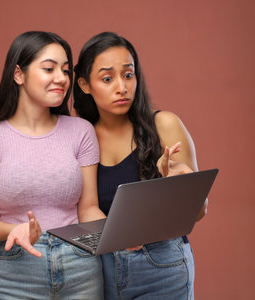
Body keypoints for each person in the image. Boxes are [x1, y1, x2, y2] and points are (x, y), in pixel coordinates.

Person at [0, 31, 105, 299]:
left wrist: (121, 235)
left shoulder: (81, 131)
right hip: (17, 270)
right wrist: (15, 231)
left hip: (80, 263)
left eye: (65, 70)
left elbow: (88, 208)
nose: (61, 78)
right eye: (49, 68)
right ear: (18, 74)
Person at [73, 32, 206, 299]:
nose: (121, 87)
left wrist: (176, 182)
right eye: (108, 78)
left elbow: (198, 211)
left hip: (162, 265)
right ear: (85, 85)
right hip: (101, 269)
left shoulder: (164, 125)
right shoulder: (80, 137)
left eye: (128, 75)